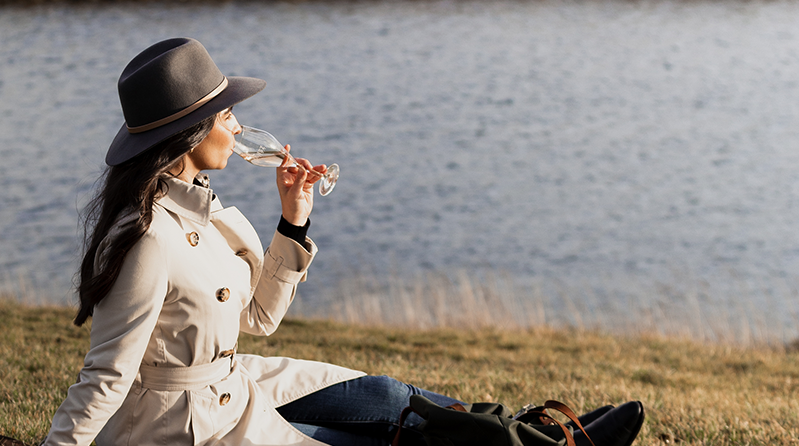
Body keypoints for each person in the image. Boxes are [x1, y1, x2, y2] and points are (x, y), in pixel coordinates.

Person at [41, 38, 643, 446]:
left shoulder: (203, 208)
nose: (237, 125)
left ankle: (533, 433)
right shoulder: (147, 239)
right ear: (190, 130)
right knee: (382, 437)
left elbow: (258, 318)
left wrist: (293, 221)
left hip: (237, 381)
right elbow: (105, 378)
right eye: (225, 114)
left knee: (387, 395)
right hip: (186, 427)